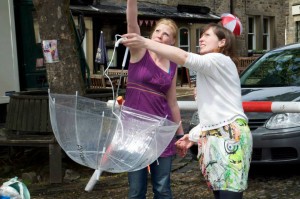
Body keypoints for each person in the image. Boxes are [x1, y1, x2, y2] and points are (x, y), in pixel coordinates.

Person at [122, 23, 253, 199]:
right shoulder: (207, 70)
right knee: (220, 194)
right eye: (201, 35)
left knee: (229, 195)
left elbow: (183, 56)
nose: (201, 38)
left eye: (207, 35)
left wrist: (144, 42)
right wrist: (192, 135)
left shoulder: (220, 60)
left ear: (222, 42)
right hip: (212, 139)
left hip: (230, 137)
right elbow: (214, 112)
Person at [124, 0, 184, 198]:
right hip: (134, 132)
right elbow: (132, 25)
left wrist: (180, 135)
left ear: (172, 42)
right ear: (151, 34)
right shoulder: (139, 51)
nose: (160, 35)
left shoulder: (173, 65)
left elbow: (172, 102)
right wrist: (131, 2)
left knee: (163, 189)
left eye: (166, 34)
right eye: (158, 31)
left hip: (161, 132)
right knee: (136, 190)